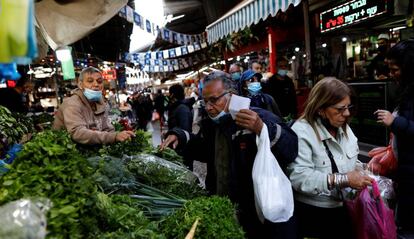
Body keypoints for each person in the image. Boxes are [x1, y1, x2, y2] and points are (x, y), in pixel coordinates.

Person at [160, 71, 298, 239]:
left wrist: (262, 128)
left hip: (256, 213)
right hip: (226, 210)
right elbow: (206, 151)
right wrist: (181, 136)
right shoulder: (212, 125)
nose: (209, 107)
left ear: (232, 95)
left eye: (214, 100)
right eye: (205, 101)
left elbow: (291, 149)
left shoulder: (256, 117)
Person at [287, 77, 373, 239]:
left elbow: (351, 161)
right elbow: (299, 177)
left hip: (344, 208)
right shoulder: (302, 132)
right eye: (340, 109)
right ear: (321, 109)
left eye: (348, 107)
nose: (346, 114)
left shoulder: (343, 127)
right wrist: (343, 179)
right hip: (314, 214)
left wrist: (366, 170)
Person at [374, 39, 414, 238]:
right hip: (406, 169)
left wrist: (394, 122)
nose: (391, 74)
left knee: (406, 227)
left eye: (395, 69)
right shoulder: (406, 91)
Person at [53, 67, 134, 144]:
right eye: (90, 81)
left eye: (99, 81)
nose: (96, 84)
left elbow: (107, 129)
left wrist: (120, 135)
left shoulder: (100, 102)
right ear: (80, 85)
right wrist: (113, 137)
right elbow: (78, 133)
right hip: (69, 152)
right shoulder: (72, 104)